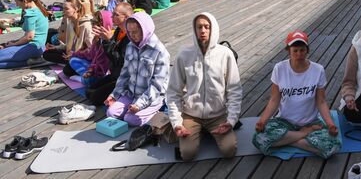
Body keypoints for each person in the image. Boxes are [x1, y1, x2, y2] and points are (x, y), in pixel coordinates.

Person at [166, 13, 242, 161]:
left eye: (207, 27)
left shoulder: (225, 54)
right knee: (187, 154)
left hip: (217, 115)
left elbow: (234, 90)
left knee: (229, 150)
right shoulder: (184, 54)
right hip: (191, 115)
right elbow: (173, 92)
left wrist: (231, 120)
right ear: (194, 30)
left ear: (213, 29)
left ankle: (207, 132)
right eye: (199, 27)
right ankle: (194, 131)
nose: (203, 31)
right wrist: (176, 123)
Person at [253, 30, 341, 158]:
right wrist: (262, 120)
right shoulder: (279, 68)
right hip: (285, 122)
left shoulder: (318, 70)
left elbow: (321, 101)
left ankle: (286, 141)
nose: (299, 54)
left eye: (302, 50)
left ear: (307, 50)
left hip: (310, 122)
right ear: (289, 51)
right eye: (295, 50)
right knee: (258, 137)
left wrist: (330, 124)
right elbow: (274, 100)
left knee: (332, 145)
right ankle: (303, 135)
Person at [105, 12, 170, 126]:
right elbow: (124, 74)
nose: (131, 35)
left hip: (152, 97)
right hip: (131, 94)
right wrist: (114, 95)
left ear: (145, 30)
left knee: (131, 119)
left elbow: (156, 85)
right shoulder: (130, 46)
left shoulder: (160, 52)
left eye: (135, 32)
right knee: (111, 113)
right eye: (129, 32)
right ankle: (133, 110)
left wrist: (140, 105)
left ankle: (157, 110)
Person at [86, 3, 133, 105]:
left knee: (94, 98)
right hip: (115, 74)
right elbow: (112, 58)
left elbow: (120, 60)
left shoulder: (131, 37)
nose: (112, 17)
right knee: (89, 91)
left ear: (126, 17)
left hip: (125, 78)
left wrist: (108, 41)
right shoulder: (119, 30)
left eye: (115, 15)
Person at [42, 0, 94, 75]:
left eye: (66, 9)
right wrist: (56, 47)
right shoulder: (70, 22)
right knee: (46, 54)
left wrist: (74, 55)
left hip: (82, 56)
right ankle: (71, 62)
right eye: (63, 9)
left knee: (67, 71)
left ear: (75, 9)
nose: (63, 11)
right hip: (70, 54)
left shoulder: (86, 25)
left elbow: (91, 49)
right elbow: (70, 44)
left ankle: (73, 62)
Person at [0, 0, 49, 68]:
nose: (17, 5)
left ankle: (33, 61)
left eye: (17, 2)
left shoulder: (31, 14)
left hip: (32, 47)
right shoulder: (39, 9)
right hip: (39, 47)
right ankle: (31, 61)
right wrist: (14, 42)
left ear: (24, 1)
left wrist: (14, 44)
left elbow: (29, 37)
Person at [68, 10, 112, 86]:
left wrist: (91, 70)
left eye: (95, 22)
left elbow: (103, 65)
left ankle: (82, 79)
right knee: (73, 60)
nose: (92, 24)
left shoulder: (108, 41)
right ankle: (84, 76)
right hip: (95, 67)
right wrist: (74, 54)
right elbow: (89, 53)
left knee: (89, 82)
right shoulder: (97, 39)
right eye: (92, 21)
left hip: (103, 73)